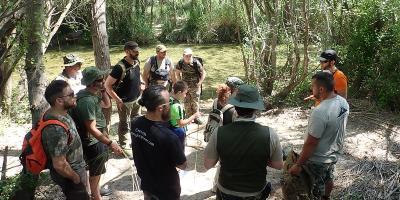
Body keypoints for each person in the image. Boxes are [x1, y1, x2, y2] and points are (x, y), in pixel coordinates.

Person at [204, 84, 284, 200]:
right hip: (255, 192)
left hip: (226, 191)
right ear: (256, 109)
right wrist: (259, 158)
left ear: (235, 107)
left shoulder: (218, 133)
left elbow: (208, 164)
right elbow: (278, 165)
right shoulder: (270, 134)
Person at [289, 71, 349, 200]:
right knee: (328, 177)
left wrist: (298, 164)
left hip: (318, 159)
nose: (312, 89)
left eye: (313, 86)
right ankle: (326, 197)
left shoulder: (320, 111)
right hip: (332, 153)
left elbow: (311, 143)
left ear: (321, 89)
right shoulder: (343, 103)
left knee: (314, 189)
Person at [70, 66, 123, 200]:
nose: (104, 80)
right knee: (96, 170)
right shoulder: (87, 101)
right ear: (92, 83)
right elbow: (91, 128)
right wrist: (110, 143)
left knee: (98, 169)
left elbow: (106, 105)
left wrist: (104, 90)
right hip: (93, 141)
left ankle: (94, 192)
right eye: (100, 79)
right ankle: (96, 196)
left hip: (99, 138)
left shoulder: (92, 94)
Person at [131, 85, 187, 200]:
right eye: (169, 103)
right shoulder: (169, 137)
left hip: (147, 183)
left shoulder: (136, 123)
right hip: (166, 190)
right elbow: (183, 165)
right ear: (160, 108)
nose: (170, 106)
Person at [42, 80, 90, 199]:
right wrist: (76, 178)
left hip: (76, 168)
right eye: (71, 94)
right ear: (59, 100)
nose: (75, 96)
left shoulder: (61, 112)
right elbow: (59, 164)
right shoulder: (55, 129)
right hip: (71, 173)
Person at [104, 41, 144, 150]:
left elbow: (138, 75)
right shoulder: (119, 68)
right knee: (124, 124)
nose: (137, 53)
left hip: (137, 99)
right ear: (127, 51)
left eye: (138, 51)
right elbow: (107, 85)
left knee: (136, 121)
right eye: (135, 51)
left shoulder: (136, 62)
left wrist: (142, 84)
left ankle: (137, 140)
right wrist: (117, 100)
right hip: (124, 102)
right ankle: (125, 146)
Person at [174, 48, 206, 124]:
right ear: (183, 55)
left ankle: (196, 117)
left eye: (190, 55)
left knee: (195, 102)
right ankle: (189, 118)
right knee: (186, 101)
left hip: (195, 86)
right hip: (185, 86)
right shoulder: (180, 62)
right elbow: (177, 72)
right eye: (187, 56)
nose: (188, 57)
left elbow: (203, 73)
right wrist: (180, 82)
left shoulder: (196, 63)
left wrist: (200, 83)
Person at [169, 80, 201, 149]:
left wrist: (187, 120)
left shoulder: (169, 99)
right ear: (179, 92)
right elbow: (181, 123)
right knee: (179, 151)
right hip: (177, 131)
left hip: (169, 128)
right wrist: (194, 116)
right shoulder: (177, 106)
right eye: (185, 93)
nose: (185, 95)